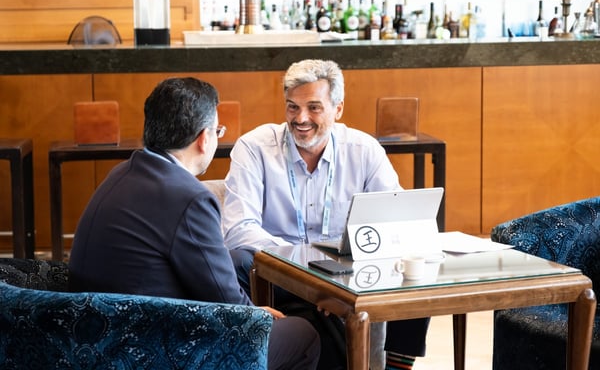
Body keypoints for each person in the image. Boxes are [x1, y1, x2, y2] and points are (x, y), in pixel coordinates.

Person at [68, 77, 321, 370]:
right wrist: (258, 315)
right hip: (152, 346)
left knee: (242, 259)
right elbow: (227, 301)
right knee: (303, 334)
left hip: (96, 332)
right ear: (203, 138)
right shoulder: (189, 197)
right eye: (218, 131)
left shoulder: (122, 172)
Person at [222, 59, 430, 370]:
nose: (300, 118)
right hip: (278, 272)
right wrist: (307, 271)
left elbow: (396, 219)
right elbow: (238, 230)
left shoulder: (363, 150)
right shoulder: (254, 148)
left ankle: (391, 364)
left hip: (347, 275)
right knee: (238, 261)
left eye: (314, 107)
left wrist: (340, 280)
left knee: (414, 271)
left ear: (338, 109)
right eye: (292, 107)